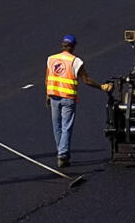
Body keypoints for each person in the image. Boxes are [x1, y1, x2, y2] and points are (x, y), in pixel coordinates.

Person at [45, 35, 112, 168]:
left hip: (53, 96)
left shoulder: (51, 59)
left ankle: (62, 152)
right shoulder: (75, 61)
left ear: (62, 45)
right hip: (68, 98)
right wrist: (101, 87)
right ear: (74, 46)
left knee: (57, 127)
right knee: (66, 127)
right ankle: (62, 154)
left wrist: (47, 95)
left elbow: (47, 79)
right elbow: (86, 80)